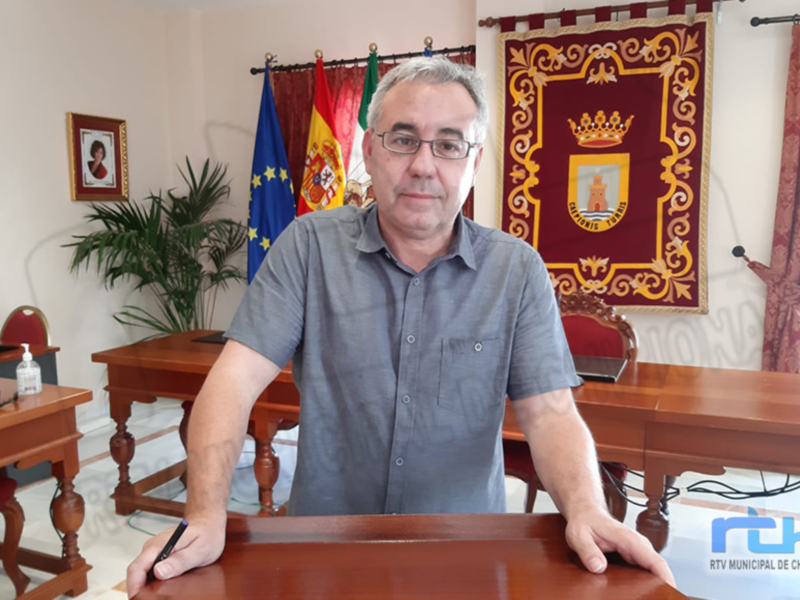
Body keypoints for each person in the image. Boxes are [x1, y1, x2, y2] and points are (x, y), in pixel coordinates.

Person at [126, 57, 675, 597]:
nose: (423, 164)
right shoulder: (309, 246)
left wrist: (585, 509)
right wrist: (204, 514)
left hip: (465, 551)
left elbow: (550, 412)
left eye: (448, 143)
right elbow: (233, 381)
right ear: (368, 149)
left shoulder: (516, 269)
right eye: (403, 138)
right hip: (324, 545)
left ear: (473, 161)